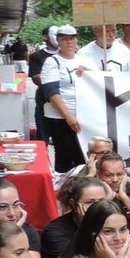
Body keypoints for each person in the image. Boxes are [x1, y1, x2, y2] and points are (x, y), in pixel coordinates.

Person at [40, 25, 96, 173]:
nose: (69, 42)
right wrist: (68, 116)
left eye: (71, 39)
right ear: (58, 41)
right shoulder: (52, 62)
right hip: (60, 118)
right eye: (64, 39)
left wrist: (89, 73)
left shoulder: (85, 60)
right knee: (65, 156)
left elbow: (99, 82)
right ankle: (64, 190)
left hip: (84, 115)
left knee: (84, 155)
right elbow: (51, 92)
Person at [40, 177, 108, 258]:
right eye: (89, 202)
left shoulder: (110, 220)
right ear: (74, 204)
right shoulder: (54, 231)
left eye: (101, 201)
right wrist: (87, 226)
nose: (98, 206)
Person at [96, 152, 130, 232]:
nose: (115, 180)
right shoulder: (93, 193)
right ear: (99, 175)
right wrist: (107, 199)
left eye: (119, 174)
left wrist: (124, 197)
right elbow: (92, 226)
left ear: (125, 173)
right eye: (109, 175)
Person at [28, 25, 58, 144]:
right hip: (44, 102)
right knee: (43, 139)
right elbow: (36, 78)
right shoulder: (37, 56)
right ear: (45, 37)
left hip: (66, 105)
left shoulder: (70, 56)